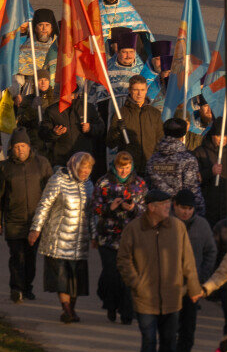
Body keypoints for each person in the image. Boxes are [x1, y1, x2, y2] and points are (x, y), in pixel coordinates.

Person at [117, 188, 204, 352]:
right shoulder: (134, 229)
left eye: (168, 204)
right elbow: (123, 259)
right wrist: (136, 283)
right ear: (151, 207)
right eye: (164, 205)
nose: (168, 208)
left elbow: (188, 261)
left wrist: (193, 288)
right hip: (145, 298)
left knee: (168, 344)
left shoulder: (177, 228)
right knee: (149, 342)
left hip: (172, 297)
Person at [28, 151, 94, 324]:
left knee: (76, 281)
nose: (85, 172)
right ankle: (67, 310)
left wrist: (94, 235)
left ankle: (71, 309)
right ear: (74, 165)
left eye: (89, 168)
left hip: (80, 241)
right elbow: (44, 205)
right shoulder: (58, 180)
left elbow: (92, 212)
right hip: (57, 239)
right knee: (62, 279)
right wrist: (35, 229)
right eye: (83, 167)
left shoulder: (89, 185)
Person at [92, 150, 146, 324]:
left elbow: (146, 209)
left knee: (128, 277)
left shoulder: (139, 184)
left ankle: (127, 312)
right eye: (120, 167)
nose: (124, 171)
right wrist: (110, 208)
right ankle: (110, 305)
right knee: (112, 275)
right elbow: (94, 208)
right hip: (108, 237)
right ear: (115, 166)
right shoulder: (103, 183)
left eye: (127, 167)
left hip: (132, 239)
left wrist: (133, 209)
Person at [172, 188, 217, 352]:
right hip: (169, 289)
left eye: (189, 209)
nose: (186, 212)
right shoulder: (166, 224)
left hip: (192, 290)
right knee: (168, 334)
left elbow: (211, 251)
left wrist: (201, 278)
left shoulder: (202, 226)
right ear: (175, 206)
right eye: (182, 208)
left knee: (188, 335)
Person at [0, 129, 52, 304]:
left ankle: (27, 287)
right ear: (11, 148)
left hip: (35, 221)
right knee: (17, 256)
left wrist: (49, 219)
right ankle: (16, 288)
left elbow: (50, 193)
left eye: (23, 146)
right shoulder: (5, 168)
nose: (20, 150)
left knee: (30, 257)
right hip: (13, 220)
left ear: (29, 147)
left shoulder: (42, 164)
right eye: (16, 146)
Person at [108, 74, 165, 175]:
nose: (139, 94)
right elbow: (110, 143)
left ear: (146, 90)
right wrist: (117, 130)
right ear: (130, 90)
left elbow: (160, 139)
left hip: (150, 167)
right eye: (136, 90)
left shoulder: (154, 113)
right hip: (128, 168)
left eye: (142, 90)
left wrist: (156, 160)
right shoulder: (121, 113)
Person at [146, 118, 205, 215]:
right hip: (180, 214)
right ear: (182, 135)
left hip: (156, 213)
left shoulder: (153, 159)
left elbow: (147, 186)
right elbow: (192, 190)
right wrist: (200, 211)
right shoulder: (187, 159)